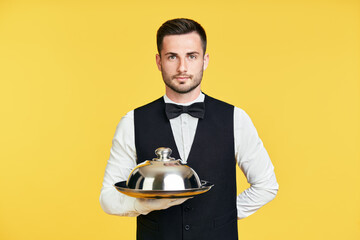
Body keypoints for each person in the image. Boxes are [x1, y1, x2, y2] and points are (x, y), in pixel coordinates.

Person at [100, 18, 279, 240]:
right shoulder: (132, 121)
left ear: (204, 60)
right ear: (159, 61)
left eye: (191, 56)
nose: (182, 67)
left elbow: (266, 185)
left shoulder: (236, 119)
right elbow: (107, 198)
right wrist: (144, 204)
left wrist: (224, 216)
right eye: (172, 57)